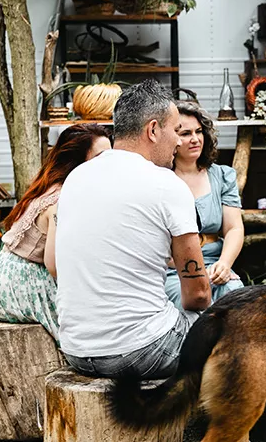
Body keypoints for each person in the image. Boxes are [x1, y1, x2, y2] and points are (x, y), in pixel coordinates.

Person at [55, 79, 211, 379]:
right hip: (144, 351)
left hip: (76, 349)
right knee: (231, 325)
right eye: (176, 131)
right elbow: (199, 295)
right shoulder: (167, 184)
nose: (179, 142)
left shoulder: (76, 177)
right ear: (153, 130)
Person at [0, 124, 111, 341]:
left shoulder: (54, 186)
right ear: (78, 162)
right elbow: (54, 264)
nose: (110, 164)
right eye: (101, 158)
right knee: (90, 327)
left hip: (7, 276)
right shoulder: (62, 197)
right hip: (24, 282)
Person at [165, 102, 244, 307]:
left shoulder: (222, 176)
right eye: (185, 133)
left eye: (199, 131)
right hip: (174, 268)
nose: (194, 139)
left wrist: (224, 265)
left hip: (214, 263)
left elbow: (234, 228)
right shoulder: (160, 179)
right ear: (170, 138)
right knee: (193, 302)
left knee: (237, 299)